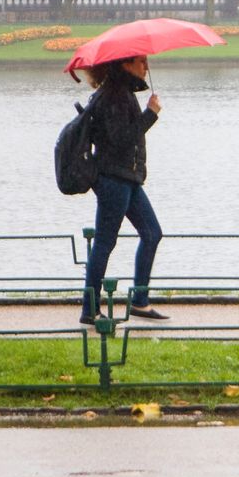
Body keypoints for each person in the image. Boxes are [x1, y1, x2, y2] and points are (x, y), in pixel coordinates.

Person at [80, 54, 166, 323]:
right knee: (104, 243)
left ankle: (140, 300)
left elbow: (126, 136)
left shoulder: (122, 91)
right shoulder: (114, 95)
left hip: (127, 178)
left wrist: (146, 113)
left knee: (152, 233)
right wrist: (150, 114)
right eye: (142, 61)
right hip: (114, 180)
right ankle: (89, 310)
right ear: (125, 64)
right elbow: (121, 140)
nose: (146, 67)